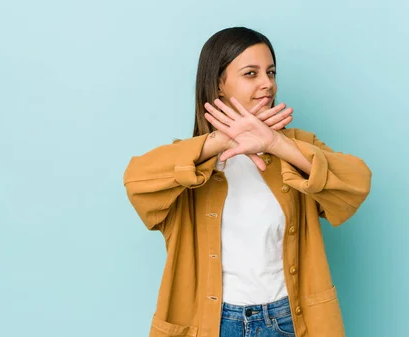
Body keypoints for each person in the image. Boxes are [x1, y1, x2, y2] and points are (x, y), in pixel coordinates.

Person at [123, 27, 372, 337]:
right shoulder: (189, 160)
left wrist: (277, 145)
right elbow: (136, 181)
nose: (267, 83)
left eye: (270, 72)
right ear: (218, 83)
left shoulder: (296, 148)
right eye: (251, 73)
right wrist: (221, 140)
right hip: (212, 323)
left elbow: (357, 182)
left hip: (288, 320)